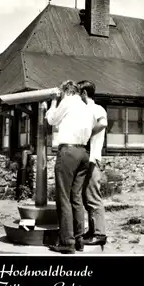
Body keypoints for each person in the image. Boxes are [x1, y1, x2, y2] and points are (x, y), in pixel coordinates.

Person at [45, 80, 96, 254]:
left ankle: (67, 242)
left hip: (68, 152)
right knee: (76, 198)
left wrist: (53, 101)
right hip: (83, 153)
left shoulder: (66, 102)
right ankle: (79, 240)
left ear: (64, 92)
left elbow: (51, 119)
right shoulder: (86, 107)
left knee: (64, 197)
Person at [77, 80, 108, 250]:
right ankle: (92, 230)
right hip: (85, 158)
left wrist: (87, 133)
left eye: (78, 94)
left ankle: (99, 234)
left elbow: (103, 123)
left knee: (93, 197)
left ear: (84, 93)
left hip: (92, 158)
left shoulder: (96, 108)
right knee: (86, 197)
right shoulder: (84, 110)